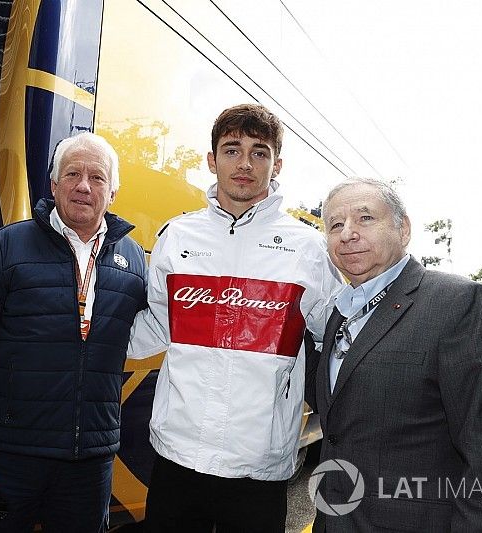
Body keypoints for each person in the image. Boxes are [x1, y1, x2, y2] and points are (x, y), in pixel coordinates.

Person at [129, 103, 344, 532]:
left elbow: (337, 341)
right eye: (231, 150)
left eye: (259, 152)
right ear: (212, 160)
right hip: (178, 455)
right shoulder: (177, 235)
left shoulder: (308, 247)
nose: (244, 163)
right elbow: (154, 324)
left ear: (276, 164)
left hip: (259, 466)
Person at [0, 132, 147, 533]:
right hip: (10, 459)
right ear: (53, 185)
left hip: (91, 466)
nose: (84, 185)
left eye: (97, 178)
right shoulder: (5, 248)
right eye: (72, 174)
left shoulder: (134, 261)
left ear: (113, 192)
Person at [309, 177, 482, 532]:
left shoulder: (459, 303)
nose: (347, 233)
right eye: (335, 224)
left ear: (403, 228)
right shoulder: (339, 314)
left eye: (364, 218)